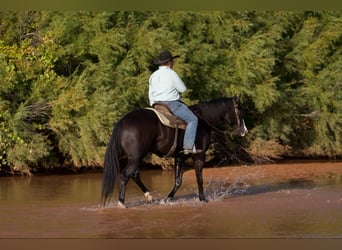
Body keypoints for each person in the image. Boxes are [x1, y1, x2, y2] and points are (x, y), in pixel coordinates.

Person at [148, 50, 202, 154]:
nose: (173, 63)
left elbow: (150, 94)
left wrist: (153, 104)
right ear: (169, 62)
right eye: (172, 61)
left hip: (157, 105)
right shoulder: (172, 74)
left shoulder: (153, 75)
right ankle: (188, 147)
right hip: (171, 104)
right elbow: (183, 89)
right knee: (193, 120)